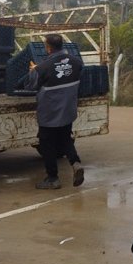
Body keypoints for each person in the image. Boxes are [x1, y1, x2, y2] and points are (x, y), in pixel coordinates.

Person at [25, 34, 85, 190]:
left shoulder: (43, 67)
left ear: (48, 47)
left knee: (47, 144)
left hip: (49, 113)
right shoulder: (77, 63)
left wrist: (33, 70)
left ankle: (52, 178)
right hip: (67, 110)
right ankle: (75, 162)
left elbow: (31, 86)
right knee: (65, 138)